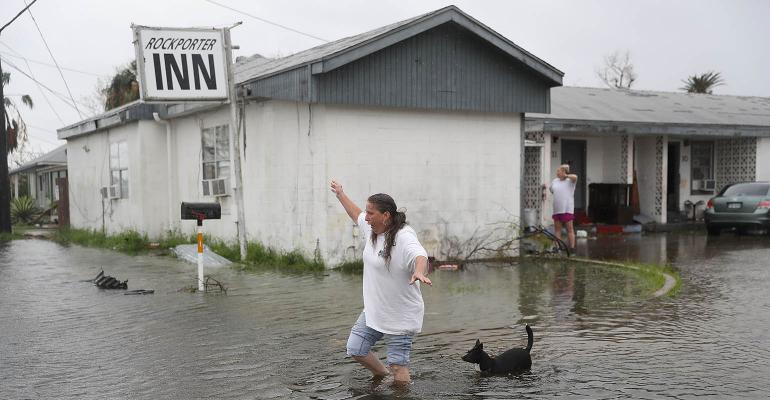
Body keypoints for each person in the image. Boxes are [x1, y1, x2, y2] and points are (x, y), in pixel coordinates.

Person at [330, 180, 431, 384]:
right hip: (375, 310)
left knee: (398, 366)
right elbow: (355, 213)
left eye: (371, 213)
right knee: (356, 348)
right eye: (366, 213)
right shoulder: (372, 230)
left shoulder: (403, 236)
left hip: (400, 314)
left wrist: (419, 271)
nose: (366, 218)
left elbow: (419, 254)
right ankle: (382, 376)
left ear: (386, 216)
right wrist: (340, 194)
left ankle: (401, 394)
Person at [549, 164, 578, 251]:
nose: (557, 172)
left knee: (569, 229)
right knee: (557, 230)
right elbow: (552, 190)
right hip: (557, 209)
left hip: (567, 209)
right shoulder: (555, 181)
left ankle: (572, 247)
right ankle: (558, 247)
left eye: (559, 170)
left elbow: (575, 177)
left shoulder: (570, 181)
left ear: (564, 172)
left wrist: (566, 176)